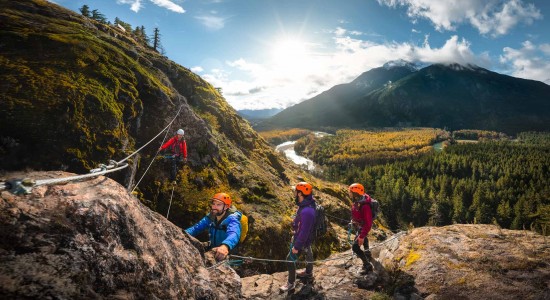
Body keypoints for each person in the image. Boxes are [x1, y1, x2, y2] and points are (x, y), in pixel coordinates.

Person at [280, 182, 316, 292]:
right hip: (307, 238)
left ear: (300, 193)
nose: (294, 193)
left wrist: (297, 246)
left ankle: (291, 283)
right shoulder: (306, 205)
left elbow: (304, 232)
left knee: (289, 260)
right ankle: (308, 274)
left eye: (295, 191)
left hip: (302, 239)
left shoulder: (307, 211)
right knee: (308, 252)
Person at [185, 193, 242, 261]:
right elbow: (196, 228)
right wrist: (184, 233)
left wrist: (225, 246)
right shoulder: (212, 216)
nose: (214, 207)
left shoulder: (232, 219)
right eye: (213, 204)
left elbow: (234, 233)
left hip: (227, 252)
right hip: (213, 247)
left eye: (218, 204)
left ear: (226, 207)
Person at [349, 183, 374, 275]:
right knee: (362, 240)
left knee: (355, 247)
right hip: (359, 226)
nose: (349, 193)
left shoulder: (365, 206)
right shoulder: (358, 201)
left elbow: (368, 223)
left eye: (350, 192)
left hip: (362, 227)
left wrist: (362, 235)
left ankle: (367, 265)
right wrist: (353, 220)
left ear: (355, 193)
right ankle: (367, 253)